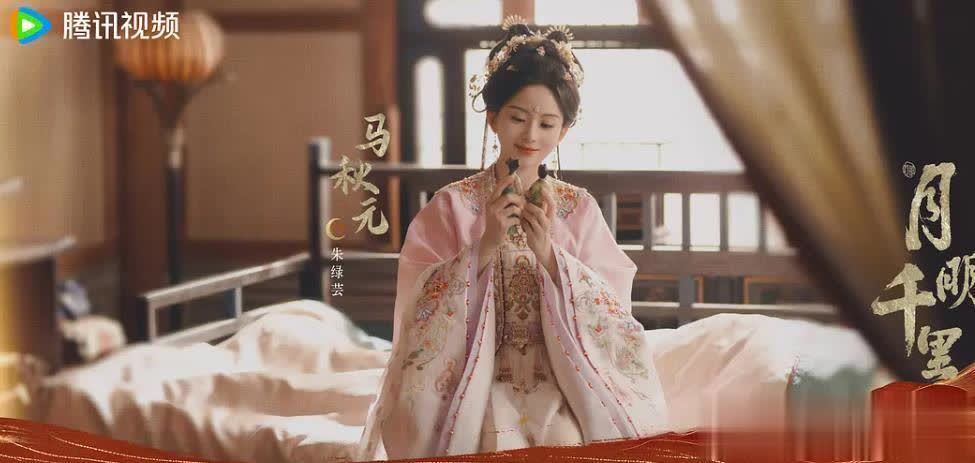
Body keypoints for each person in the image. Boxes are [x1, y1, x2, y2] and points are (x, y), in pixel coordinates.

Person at [355, 17, 669, 460]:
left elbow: (613, 309)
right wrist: (484, 247)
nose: (531, 135)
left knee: (567, 443)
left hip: (562, 378)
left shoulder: (578, 209)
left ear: (563, 131)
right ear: (494, 118)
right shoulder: (451, 206)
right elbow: (418, 306)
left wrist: (551, 258)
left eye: (547, 124)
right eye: (518, 118)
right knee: (485, 439)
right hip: (469, 380)